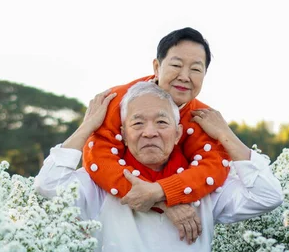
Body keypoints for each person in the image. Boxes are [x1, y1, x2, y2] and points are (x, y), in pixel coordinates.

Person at [34, 82, 284, 252]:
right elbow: (48, 184)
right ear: (123, 133)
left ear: (177, 134)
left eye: (161, 122)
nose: (150, 132)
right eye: (138, 123)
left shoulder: (203, 186)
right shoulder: (100, 185)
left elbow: (268, 196)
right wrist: (87, 126)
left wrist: (225, 134)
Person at [82, 27, 241, 216]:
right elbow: (98, 158)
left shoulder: (205, 118)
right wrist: (162, 203)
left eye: (196, 69)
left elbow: (213, 168)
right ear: (157, 67)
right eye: (176, 65)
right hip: (115, 214)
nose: (184, 76)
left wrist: (162, 192)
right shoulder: (118, 101)